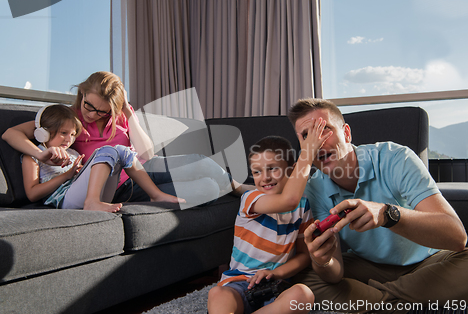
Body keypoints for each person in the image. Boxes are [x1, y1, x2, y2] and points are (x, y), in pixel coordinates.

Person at [287, 98, 468, 313]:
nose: (318, 142)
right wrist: (323, 262)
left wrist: (388, 214)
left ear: (347, 133)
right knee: (303, 278)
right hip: (369, 267)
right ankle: (433, 307)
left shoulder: (395, 158)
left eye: (324, 130)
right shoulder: (313, 188)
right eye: (307, 136)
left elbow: (456, 236)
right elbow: (335, 272)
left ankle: (380, 304)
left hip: (429, 263)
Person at [2, 71, 250, 207]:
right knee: (207, 187)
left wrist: (130, 116)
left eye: (102, 111)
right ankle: (234, 192)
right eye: (89, 105)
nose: (92, 114)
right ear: (82, 93)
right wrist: (40, 154)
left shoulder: (119, 116)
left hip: (142, 167)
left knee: (201, 162)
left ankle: (242, 190)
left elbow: (148, 154)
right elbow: (10, 133)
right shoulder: (68, 120)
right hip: (118, 186)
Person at [208, 124, 333, 314]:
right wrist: (307, 153)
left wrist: (276, 273)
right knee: (218, 294)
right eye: (257, 172)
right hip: (240, 282)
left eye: (272, 169)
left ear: (291, 171)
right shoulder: (251, 199)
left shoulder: (303, 206)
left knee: (303, 295)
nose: (264, 178)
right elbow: (288, 201)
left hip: (276, 286)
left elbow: (304, 255)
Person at [20, 104, 185, 212]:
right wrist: (67, 175)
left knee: (122, 150)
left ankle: (155, 194)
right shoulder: (34, 155)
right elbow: (32, 195)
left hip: (92, 192)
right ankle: (92, 202)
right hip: (65, 200)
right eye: (64, 133)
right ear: (44, 132)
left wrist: (77, 173)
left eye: (72, 134)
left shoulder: (74, 154)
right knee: (106, 150)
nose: (69, 139)